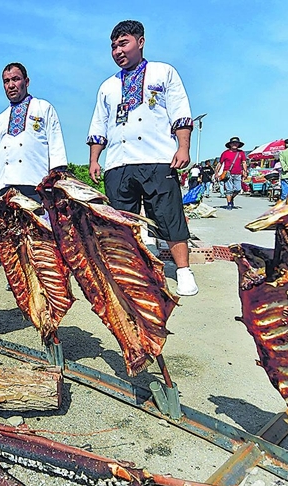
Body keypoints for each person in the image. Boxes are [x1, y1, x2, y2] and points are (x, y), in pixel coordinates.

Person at [87, 20, 198, 296]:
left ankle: (183, 271)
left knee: (168, 215)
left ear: (141, 41)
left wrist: (182, 147)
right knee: (121, 223)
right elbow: (99, 126)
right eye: (113, 46)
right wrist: (94, 160)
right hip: (118, 163)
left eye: (123, 43)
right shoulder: (107, 87)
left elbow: (180, 113)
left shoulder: (163, 72)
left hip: (157, 158)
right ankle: (129, 272)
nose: (117, 51)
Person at [0, 62, 68, 202]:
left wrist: (57, 180)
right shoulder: (0, 119)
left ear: (26, 82)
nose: (11, 85)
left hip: (36, 184)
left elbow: (55, 145)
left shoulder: (43, 108)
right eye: (6, 81)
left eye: (15, 79)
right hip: (4, 188)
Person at [216, 137, 248, 210]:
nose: (235, 144)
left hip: (238, 173)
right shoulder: (225, 153)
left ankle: (231, 198)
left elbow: (244, 162)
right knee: (229, 189)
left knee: (238, 189)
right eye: (233, 143)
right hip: (228, 173)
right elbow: (220, 163)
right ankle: (229, 203)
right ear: (230, 144)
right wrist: (216, 173)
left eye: (236, 143)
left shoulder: (241, 153)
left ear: (239, 144)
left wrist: (245, 171)